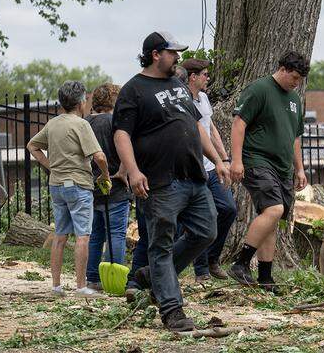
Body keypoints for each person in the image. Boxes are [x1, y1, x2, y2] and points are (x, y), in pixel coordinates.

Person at [113, 31, 229, 332]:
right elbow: (121, 134)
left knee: (207, 230)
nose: (177, 57)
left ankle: (153, 277)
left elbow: (195, 125)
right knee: (161, 243)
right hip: (160, 182)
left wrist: (218, 160)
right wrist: (133, 170)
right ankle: (172, 310)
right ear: (156, 54)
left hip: (193, 176)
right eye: (172, 52)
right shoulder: (133, 90)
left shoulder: (177, 85)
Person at [228, 51, 309, 290]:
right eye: (294, 77)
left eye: (300, 80)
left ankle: (265, 277)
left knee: (272, 219)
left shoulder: (294, 99)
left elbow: (295, 137)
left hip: (283, 167)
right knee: (274, 209)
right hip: (257, 160)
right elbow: (238, 124)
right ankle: (240, 263)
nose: (296, 83)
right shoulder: (259, 89)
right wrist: (236, 160)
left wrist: (300, 169)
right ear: (282, 69)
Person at [27, 80, 111, 296]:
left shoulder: (53, 124)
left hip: (57, 185)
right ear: (81, 102)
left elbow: (32, 146)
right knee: (83, 235)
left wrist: (50, 166)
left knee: (60, 235)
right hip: (79, 185)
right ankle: (81, 286)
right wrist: (104, 174)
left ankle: (56, 286)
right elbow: (99, 156)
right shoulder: (81, 124)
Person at [181, 58, 237, 283]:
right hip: (193, 169)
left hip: (212, 167)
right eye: (204, 74)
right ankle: (201, 270)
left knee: (228, 209)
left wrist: (223, 159)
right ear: (192, 77)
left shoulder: (203, 98)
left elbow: (211, 129)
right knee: (205, 217)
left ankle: (213, 258)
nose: (208, 78)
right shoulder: (182, 100)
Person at [84, 83, 129, 291]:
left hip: (92, 184)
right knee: (117, 233)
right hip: (117, 185)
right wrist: (123, 170)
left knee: (96, 234)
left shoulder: (86, 123)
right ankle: (113, 278)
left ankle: (92, 277)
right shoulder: (116, 122)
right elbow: (128, 147)